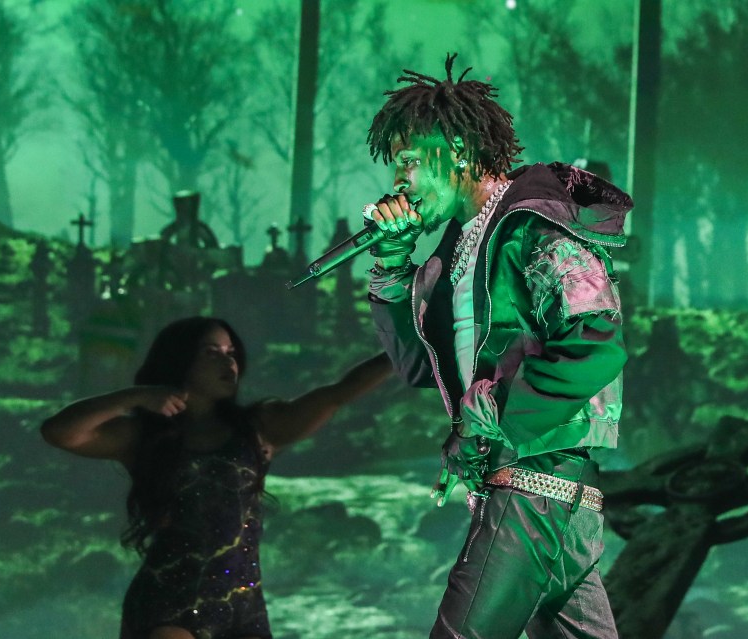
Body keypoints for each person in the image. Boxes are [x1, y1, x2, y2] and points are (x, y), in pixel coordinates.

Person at [363, 54, 632, 638]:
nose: (400, 181)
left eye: (410, 160)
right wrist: (390, 263)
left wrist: (486, 420)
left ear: (458, 148)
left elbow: (595, 344)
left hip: (534, 482)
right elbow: (415, 367)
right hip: (538, 495)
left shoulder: (534, 230)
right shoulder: (456, 252)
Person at [40, 316, 391, 639]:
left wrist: (412, 343)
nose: (229, 362)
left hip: (244, 607)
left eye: (232, 353)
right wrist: (139, 396)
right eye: (212, 353)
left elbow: (339, 392)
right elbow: (60, 432)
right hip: (168, 604)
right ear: (181, 362)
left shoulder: (259, 429)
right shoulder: (144, 436)